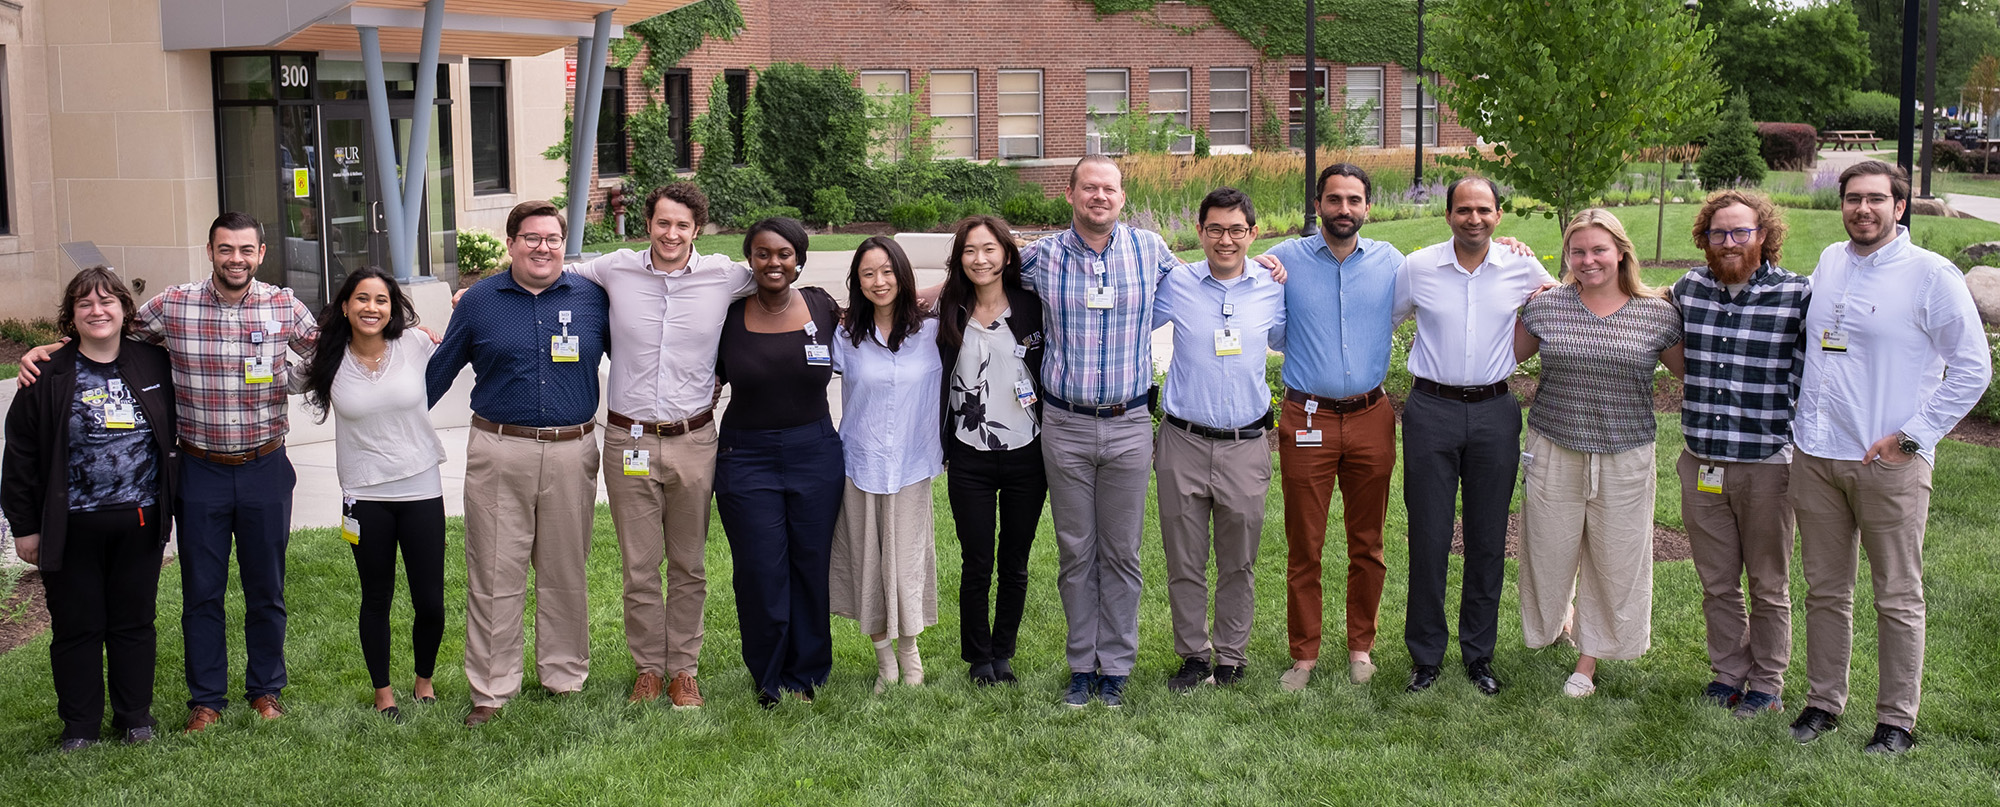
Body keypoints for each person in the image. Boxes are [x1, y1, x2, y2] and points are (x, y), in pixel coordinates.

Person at [20, 213, 319, 731]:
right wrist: (50, 350)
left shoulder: (283, 304)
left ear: (262, 254)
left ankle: (266, 690)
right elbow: (109, 330)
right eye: (225, 249)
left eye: (246, 250)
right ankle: (206, 699)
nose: (236, 259)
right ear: (209, 251)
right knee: (202, 589)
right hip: (199, 469)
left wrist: (288, 377)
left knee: (266, 587)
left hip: (265, 465)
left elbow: (328, 351)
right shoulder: (175, 304)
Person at [1786, 162, 1991, 754]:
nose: (1863, 209)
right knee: (1825, 590)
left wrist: (1914, 436)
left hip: (1888, 463)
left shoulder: (1932, 275)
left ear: (1900, 207)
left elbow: (1973, 368)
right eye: (1853, 199)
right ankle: (1824, 702)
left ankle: (1896, 720)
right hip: (1817, 456)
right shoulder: (1828, 260)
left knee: (1896, 594)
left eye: (1877, 199)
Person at [567, 182, 753, 709]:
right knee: (640, 566)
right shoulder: (614, 268)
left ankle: (684, 670)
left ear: (698, 229)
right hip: (629, 438)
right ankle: (649, 667)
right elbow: (548, 271)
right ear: (649, 222)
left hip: (694, 440)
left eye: (682, 225)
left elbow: (784, 273)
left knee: (689, 564)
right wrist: (479, 290)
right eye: (663, 222)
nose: (671, 234)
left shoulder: (725, 275)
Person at [425, 200, 610, 727]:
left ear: (563, 243)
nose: (542, 247)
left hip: (574, 451)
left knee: (565, 571)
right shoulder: (480, 301)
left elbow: (640, 355)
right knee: (494, 571)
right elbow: (437, 374)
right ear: (510, 243)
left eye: (552, 238)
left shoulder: (593, 298)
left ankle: (564, 676)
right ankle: (491, 688)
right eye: (531, 237)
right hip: (499, 450)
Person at [1018, 155, 1179, 709]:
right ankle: (1080, 666)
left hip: (1131, 423)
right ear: (1070, 194)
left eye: (1109, 188)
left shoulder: (1152, 251)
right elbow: (981, 271)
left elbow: (1206, 283)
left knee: (1122, 553)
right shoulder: (1040, 257)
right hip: (1063, 424)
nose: (1100, 197)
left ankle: (1116, 665)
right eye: (1089, 188)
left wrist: (1268, 269)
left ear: (1122, 196)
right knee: (1075, 551)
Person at [3, 267, 177, 751]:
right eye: (85, 304)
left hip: (140, 521)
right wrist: (24, 529)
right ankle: (79, 727)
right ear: (72, 316)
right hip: (70, 525)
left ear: (124, 310)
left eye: (106, 302)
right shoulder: (46, 374)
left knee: (134, 623)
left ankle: (134, 718)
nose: (97, 311)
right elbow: (19, 457)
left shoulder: (153, 364)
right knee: (77, 628)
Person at [1513, 208, 1684, 699]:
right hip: (1553, 445)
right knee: (1547, 550)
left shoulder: (1657, 313)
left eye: (1599, 250)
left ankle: (1588, 659)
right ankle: (1556, 622)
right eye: (1578, 251)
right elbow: (1503, 353)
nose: (1588, 260)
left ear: (1621, 252)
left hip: (1625, 452)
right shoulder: (1547, 306)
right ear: (1566, 255)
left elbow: (1688, 375)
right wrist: (1511, 260)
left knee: (1616, 558)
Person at [1392, 177, 1554, 696]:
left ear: (1499, 216)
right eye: (1464, 209)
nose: (1474, 218)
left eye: (1484, 210)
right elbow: (1385, 319)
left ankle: (1479, 655)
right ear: (1448, 215)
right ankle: (1425, 657)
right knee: (1430, 537)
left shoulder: (1522, 267)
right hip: (1430, 410)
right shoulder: (1418, 267)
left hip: (1495, 412)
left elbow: (1562, 300)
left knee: (1488, 540)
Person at [1667, 190, 1811, 719]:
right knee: (1717, 580)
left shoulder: (1798, 295)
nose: (1728, 242)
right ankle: (1728, 671)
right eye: (1717, 233)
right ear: (1703, 239)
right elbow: (1625, 293)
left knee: (1769, 583)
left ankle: (1768, 682)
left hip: (1768, 464)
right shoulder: (1689, 289)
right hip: (1702, 460)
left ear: (1764, 236)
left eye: (1740, 232)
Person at [1261, 164, 1403, 692]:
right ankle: (1304, 655)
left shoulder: (1392, 262)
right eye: (1335, 199)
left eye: (1355, 200)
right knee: (1306, 543)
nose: (1345, 209)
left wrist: (1514, 250)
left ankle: (1361, 647)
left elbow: (1455, 266)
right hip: (1307, 417)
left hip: (1371, 417)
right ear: (1317, 203)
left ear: (1368, 206)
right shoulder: (1283, 262)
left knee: (1368, 542)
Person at [298, 267, 447, 721]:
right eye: (362, 299)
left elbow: (458, 346)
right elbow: (275, 378)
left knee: (430, 599)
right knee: (376, 596)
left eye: (381, 300)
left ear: (392, 308)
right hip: (363, 495)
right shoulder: (327, 358)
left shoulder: (415, 345)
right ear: (345, 306)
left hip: (421, 485)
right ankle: (384, 692)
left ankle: (424, 680)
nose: (371, 308)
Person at [1152, 187, 1286, 693]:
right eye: (1214, 229)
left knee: (1239, 559)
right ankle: (1192, 655)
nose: (1225, 240)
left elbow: (1289, 336)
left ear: (1252, 233)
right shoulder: (1178, 284)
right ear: (1200, 231)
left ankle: (1231, 656)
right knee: (1184, 559)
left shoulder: (1273, 287)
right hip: (1182, 440)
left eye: (1236, 230)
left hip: (1246, 443)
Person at [713, 217, 845, 707]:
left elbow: (886, 316)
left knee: (810, 564)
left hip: (815, 452)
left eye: (784, 253)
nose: (774, 262)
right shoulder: (726, 315)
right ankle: (769, 677)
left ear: (799, 259)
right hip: (746, 456)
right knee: (760, 569)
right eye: (764, 253)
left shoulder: (822, 307)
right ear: (750, 259)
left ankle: (807, 672)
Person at [935, 215, 1048, 687]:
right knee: (977, 560)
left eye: (988, 249)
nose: (980, 259)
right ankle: (979, 658)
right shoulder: (949, 307)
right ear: (959, 259)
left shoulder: (1032, 306)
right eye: (969, 251)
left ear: (1005, 252)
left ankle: (1004, 652)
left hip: (1028, 452)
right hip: (969, 454)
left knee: (1015, 561)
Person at [829, 237, 943, 693]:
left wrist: (929, 291)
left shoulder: (932, 332)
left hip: (912, 466)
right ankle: (884, 663)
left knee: (906, 565)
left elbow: (972, 278)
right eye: (868, 274)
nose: (879, 282)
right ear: (857, 282)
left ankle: (911, 656)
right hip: (859, 464)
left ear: (902, 273)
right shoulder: (844, 337)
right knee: (866, 565)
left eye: (888, 271)